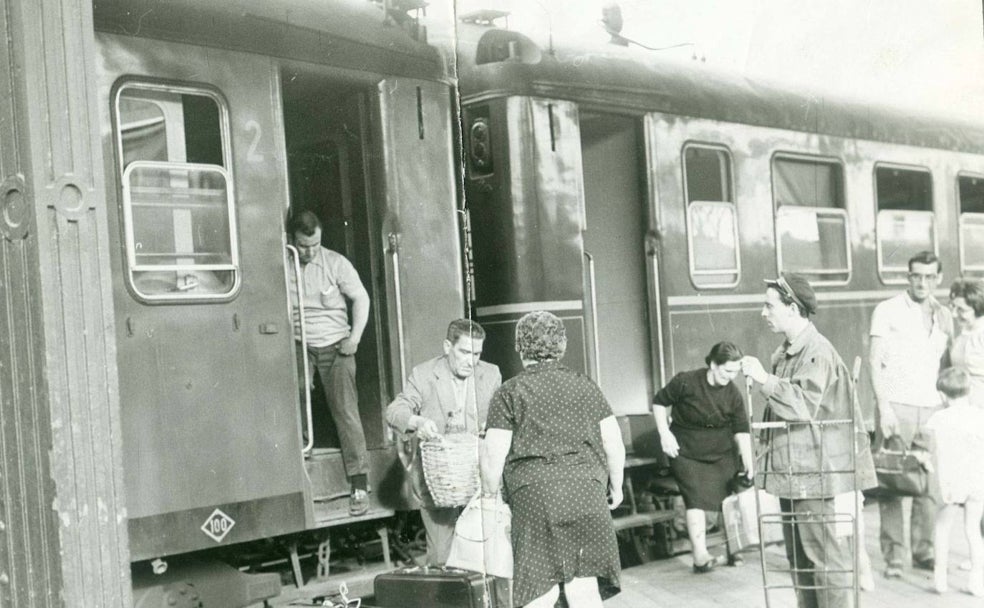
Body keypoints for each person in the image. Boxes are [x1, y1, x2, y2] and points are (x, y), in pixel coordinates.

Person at [480, 311, 625, 608]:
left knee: (538, 589)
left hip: (536, 500)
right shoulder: (586, 385)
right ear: (562, 346)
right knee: (584, 589)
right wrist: (618, 487)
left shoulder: (508, 392)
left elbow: (493, 452)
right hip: (587, 494)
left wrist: (489, 495)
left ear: (520, 348)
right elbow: (614, 442)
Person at [741, 272, 869, 608]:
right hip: (798, 471)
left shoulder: (815, 351)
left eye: (770, 306)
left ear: (793, 308)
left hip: (815, 472)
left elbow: (801, 405)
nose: (763, 312)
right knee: (803, 563)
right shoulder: (789, 351)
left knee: (824, 562)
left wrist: (764, 380)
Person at [384, 319, 509, 606]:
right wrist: (417, 421)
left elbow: (501, 418)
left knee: (488, 560)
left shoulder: (491, 374)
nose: (471, 361)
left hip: (478, 484)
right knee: (442, 561)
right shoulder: (425, 374)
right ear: (447, 346)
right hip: (438, 487)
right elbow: (395, 410)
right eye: (464, 352)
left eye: (477, 354)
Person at [869, 251, 952, 577]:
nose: (922, 282)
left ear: (937, 279)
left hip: (932, 407)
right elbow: (874, 360)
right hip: (897, 406)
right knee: (891, 482)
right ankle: (893, 558)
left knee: (928, 485)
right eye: (917, 275)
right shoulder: (887, 310)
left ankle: (923, 551)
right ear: (908, 276)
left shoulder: (943, 314)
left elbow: (946, 365)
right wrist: (883, 406)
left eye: (930, 276)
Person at [288, 210, 371, 516]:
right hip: (299, 344)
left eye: (314, 244)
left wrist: (355, 338)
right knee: (293, 399)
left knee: (346, 412)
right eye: (303, 245)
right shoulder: (283, 263)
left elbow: (361, 298)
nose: (309, 251)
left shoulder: (336, 263)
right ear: (292, 240)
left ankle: (359, 485)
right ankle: (298, 475)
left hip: (336, 344)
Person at [652, 341, 753, 572]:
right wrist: (664, 433)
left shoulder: (733, 393)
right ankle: (700, 556)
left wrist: (748, 460)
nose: (731, 376)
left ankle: (733, 549)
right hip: (686, 451)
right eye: (728, 370)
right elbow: (659, 402)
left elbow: (741, 429)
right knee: (695, 498)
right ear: (713, 364)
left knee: (727, 498)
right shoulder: (686, 381)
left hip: (721, 450)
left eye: (736, 372)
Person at [925, 366, 984, 596]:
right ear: (969, 391)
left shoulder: (938, 418)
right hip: (977, 479)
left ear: (942, 394)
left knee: (942, 528)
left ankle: (940, 580)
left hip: (949, 481)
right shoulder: (980, 416)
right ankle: (977, 581)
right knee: (973, 530)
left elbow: (929, 450)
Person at [947, 278, 984, 404]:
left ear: (977, 308)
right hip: (962, 406)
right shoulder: (962, 336)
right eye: (953, 307)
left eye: (961, 310)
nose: (954, 314)